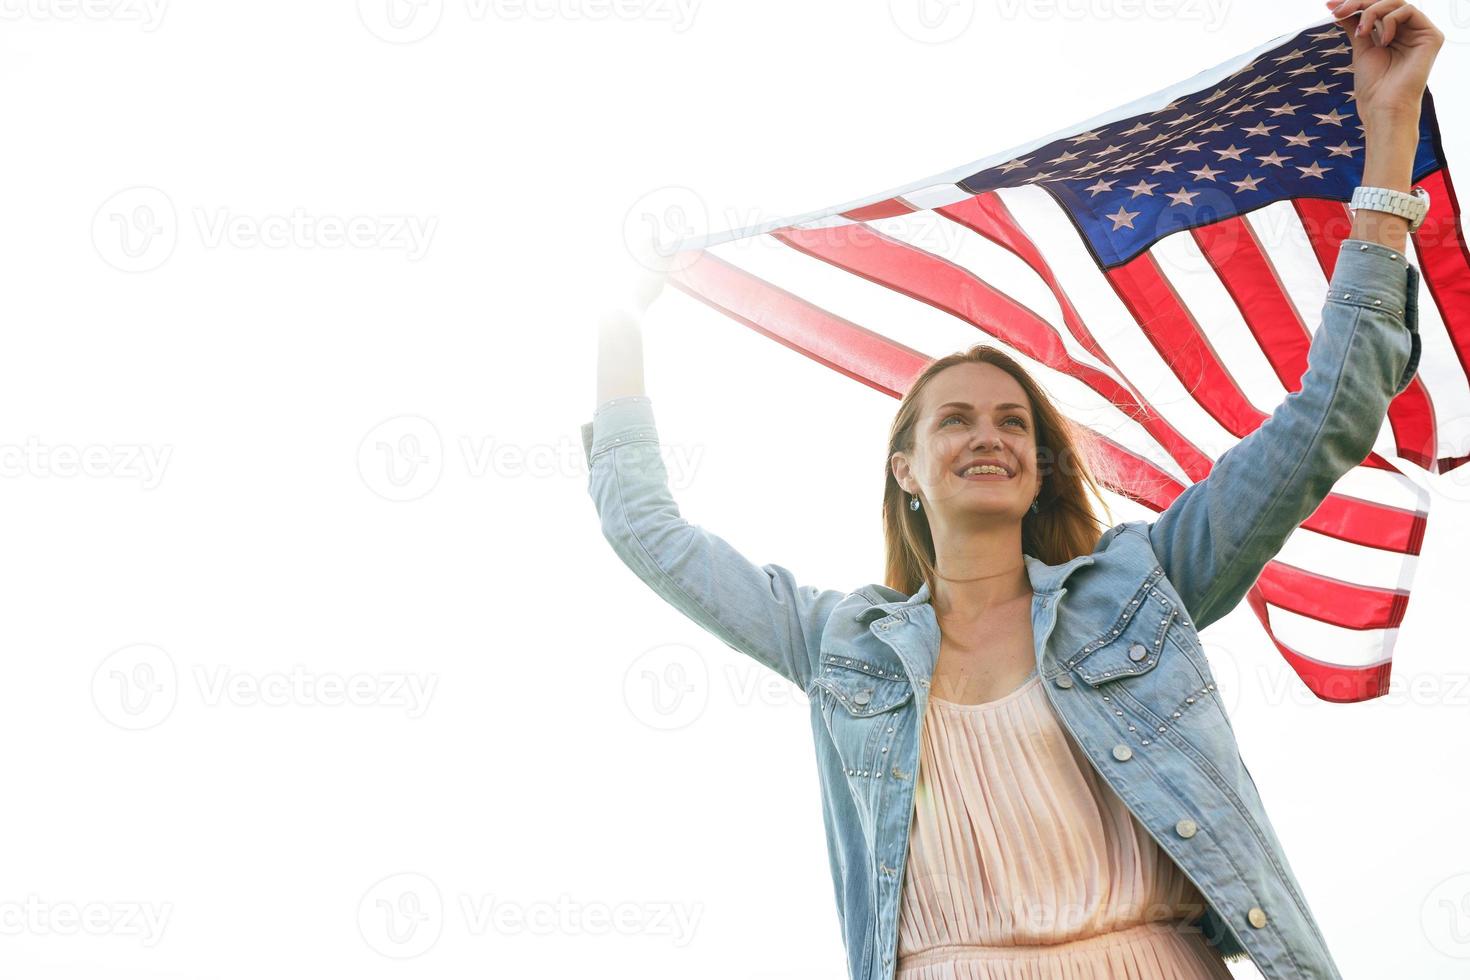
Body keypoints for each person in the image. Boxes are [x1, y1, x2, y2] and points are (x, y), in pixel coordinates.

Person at [581, 2, 1443, 977]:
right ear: (905, 470)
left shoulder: (1141, 581)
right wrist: (619, 325)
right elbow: (645, 526)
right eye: (955, 419)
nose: (987, 434)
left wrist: (1387, 134)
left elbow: (1326, 416)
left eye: (1012, 421)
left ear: (1040, 467)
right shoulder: (838, 643)